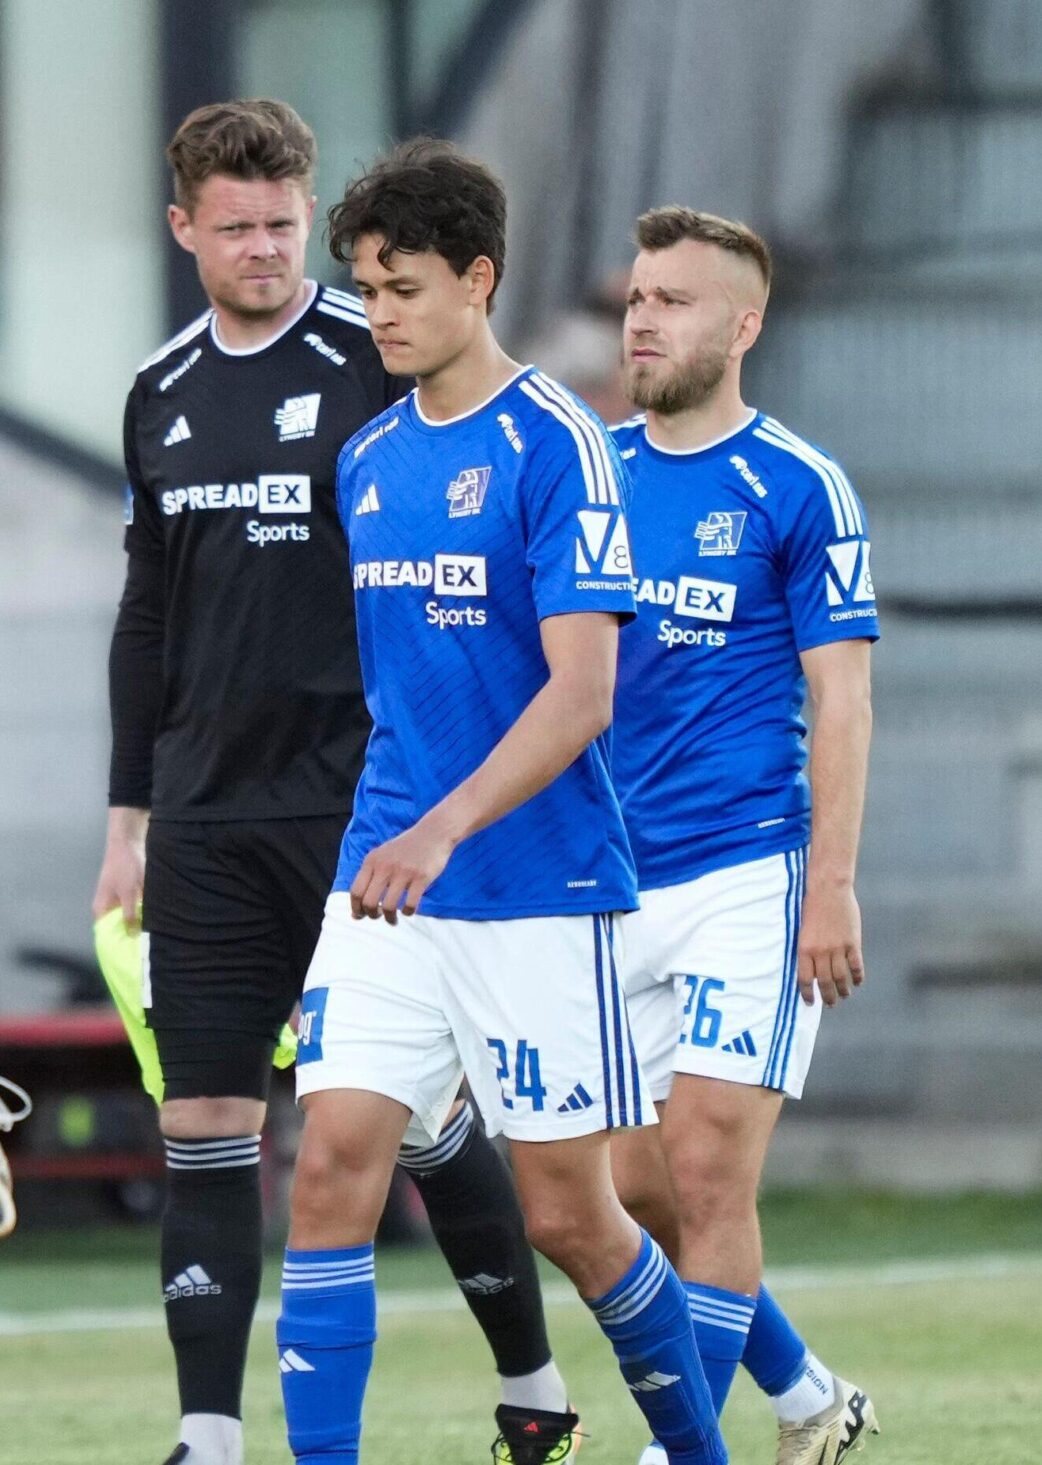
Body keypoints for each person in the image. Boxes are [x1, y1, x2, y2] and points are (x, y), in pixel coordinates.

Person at [96, 100, 570, 1465]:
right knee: (203, 1122)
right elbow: (145, 619)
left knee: (409, 1121)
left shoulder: (376, 354)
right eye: (234, 226)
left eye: (283, 223)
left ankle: (533, 1383)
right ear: (183, 226)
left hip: (361, 802)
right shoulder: (160, 391)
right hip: (202, 810)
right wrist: (126, 817)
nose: (263, 248)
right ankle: (208, 1434)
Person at [276, 140, 729, 1465]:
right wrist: (397, 828)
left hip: (532, 883)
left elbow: (581, 694)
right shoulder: (364, 462)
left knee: (571, 1219)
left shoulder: (560, 447)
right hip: (388, 874)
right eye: (365, 287)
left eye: (405, 284)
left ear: (479, 280)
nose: (382, 313)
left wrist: (444, 824)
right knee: (327, 1169)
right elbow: (393, 697)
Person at [605, 206, 880, 1465]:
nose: (643, 319)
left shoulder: (798, 485)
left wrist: (830, 883)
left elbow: (842, 695)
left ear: (743, 324)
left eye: (672, 299)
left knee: (710, 1173)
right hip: (604, 883)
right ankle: (810, 1395)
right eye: (635, 298)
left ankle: (681, 1454)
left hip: (745, 875)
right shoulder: (586, 474)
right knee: (628, 1196)